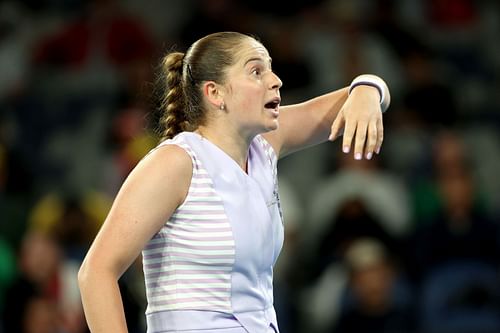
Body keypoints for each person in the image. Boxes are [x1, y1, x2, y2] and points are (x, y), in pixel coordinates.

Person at [78, 31, 390, 333]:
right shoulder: (174, 163)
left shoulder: (266, 144)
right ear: (215, 93)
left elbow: (364, 97)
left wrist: (366, 89)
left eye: (270, 68)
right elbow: (96, 273)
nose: (275, 80)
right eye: (256, 71)